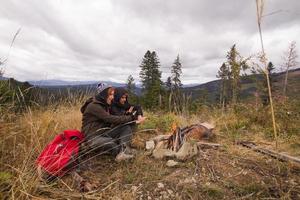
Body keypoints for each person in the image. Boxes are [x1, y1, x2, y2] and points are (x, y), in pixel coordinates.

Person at [80, 83, 145, 162]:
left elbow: (127, 108)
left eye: (113, 95)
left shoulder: (104, 104)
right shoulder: (94, 106)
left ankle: (125, 150)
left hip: (104, 132)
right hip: (93, 137)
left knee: (125, 128)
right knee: (111, 143)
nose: (112, 97)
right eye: (110, 95)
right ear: (103, 95)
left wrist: (135, 114)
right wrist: (132, 117)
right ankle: (120, 154)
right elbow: (111, 119)